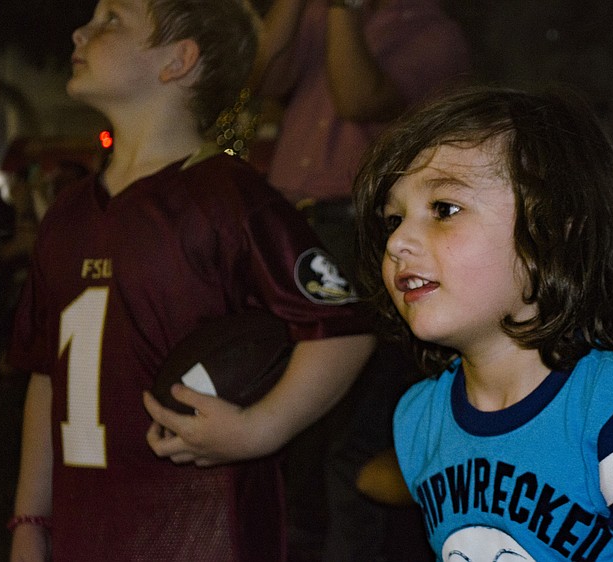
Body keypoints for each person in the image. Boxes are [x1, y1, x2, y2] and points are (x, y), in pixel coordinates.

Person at [7, 0, 374, 560]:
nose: (81, 30)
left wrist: (259, 429)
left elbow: (345, 326)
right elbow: (46, 375)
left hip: (201, 531)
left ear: (178, 61)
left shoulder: (231, 199)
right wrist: (31, 520)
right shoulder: (68, 214)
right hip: (86, 529)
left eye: (112, 20)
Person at [352, 86, 613, 560]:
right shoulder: (419, 418)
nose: (398, 242)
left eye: (444, 209)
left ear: (551, 234)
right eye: (393, 219)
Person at [249, 0, 472, 557]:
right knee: (277, 410)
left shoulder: (434, 31)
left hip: (360, 235)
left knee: (348, 431)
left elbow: (357, 97)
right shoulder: (318, 19)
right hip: (288, 225)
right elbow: (261, 75)